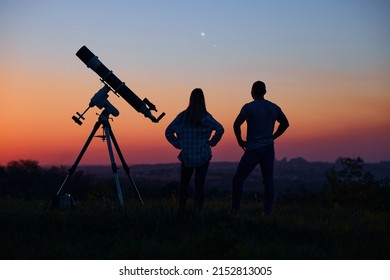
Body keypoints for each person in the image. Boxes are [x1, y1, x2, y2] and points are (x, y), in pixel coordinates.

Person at [232, 81, 289, 216]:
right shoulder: (274, 107)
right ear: (265, 92)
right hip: (268, 148)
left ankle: (235, 212)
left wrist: (240, 141)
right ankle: (267, 213)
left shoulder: (249, 107)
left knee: (238, 179)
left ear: (252, 92)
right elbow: (285, 123)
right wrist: (273, 137)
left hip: (253, 148)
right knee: (268, 181)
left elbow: (236, 124)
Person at [165, 88, 224, 211]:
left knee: (184, 184)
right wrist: (212, 142)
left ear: (190, 99)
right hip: (203, 155)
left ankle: (181, 210)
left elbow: (168, 131)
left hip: (187, 155)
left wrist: (178, 143)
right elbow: (220, 129)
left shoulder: (182, 116)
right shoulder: (206, 117)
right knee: (199, 184)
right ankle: (198, 211)